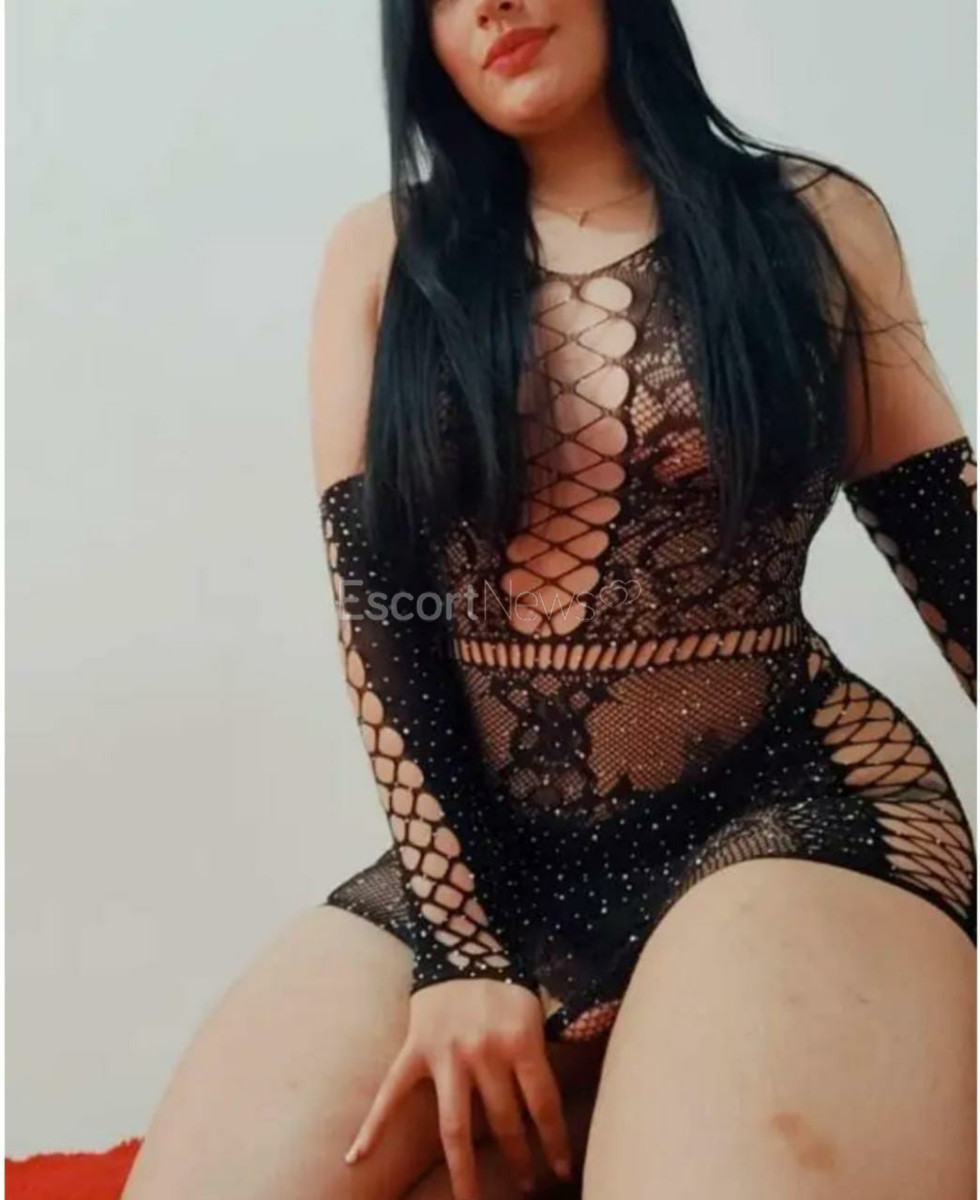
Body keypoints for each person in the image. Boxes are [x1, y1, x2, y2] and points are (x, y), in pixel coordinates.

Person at [122, 2, 977, 1197]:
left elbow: (950, 547)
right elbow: (384, 626)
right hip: (496, 855)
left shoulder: (806, 222)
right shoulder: (386, 257)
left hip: (790, 805)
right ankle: (606, 1075)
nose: (488, 5)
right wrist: (462, 952)